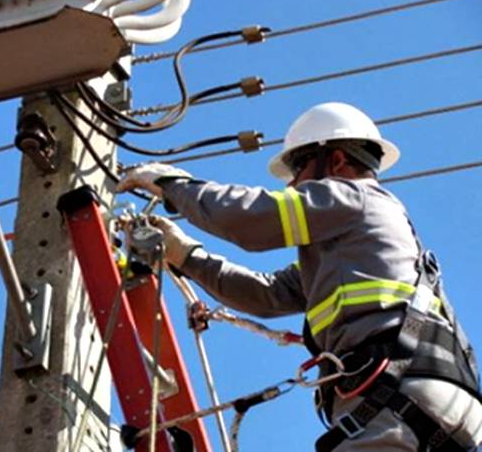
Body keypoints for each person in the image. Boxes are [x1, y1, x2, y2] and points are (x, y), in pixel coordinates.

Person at [116, 102, 482, 451]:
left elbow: (251, 219)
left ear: (335, 159)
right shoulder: (351, 252)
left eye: (299, 170)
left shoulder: (354, 197)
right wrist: (188, 256)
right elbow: (267, 294)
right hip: (431, 399)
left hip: (395, 393)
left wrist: (174, 185)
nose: (292, 186)